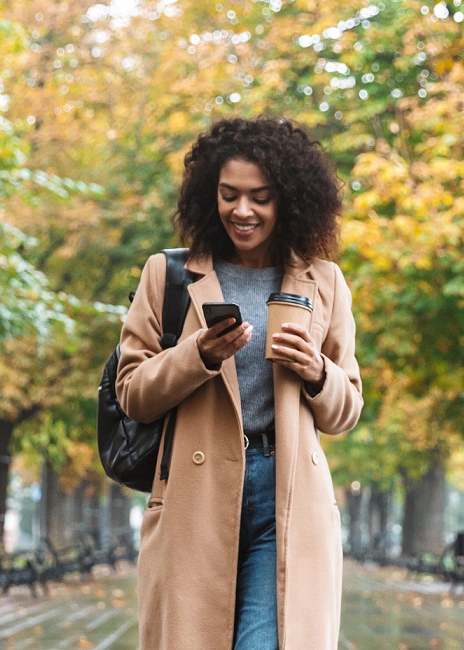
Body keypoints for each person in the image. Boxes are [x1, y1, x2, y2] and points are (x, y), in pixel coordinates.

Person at [116, 116, 363, 650]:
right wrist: (196, 355)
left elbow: (346, 411)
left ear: (289, 202)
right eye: (229, 195)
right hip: (193, 497)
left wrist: (318, 372)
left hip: (288, 498)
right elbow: (131, 392)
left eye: (261, 197)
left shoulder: (324, 282)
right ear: (211, 196)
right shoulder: (169, 276)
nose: (242, 211)